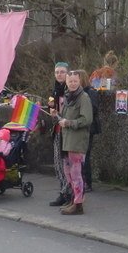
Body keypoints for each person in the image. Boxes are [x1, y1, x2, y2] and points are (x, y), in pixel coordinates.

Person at [56, 69, 93, 215]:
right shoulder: (68, 97)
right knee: (68, 172)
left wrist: (69, 123)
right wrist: (57, 116)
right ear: (66, 82)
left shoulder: (83, 97)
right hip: (66, 140)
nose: (72, 83)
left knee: (76, 173)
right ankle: (74, 199)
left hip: (77, 141)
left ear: (80, 81)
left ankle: (78, 205)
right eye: (70, 81)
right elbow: (65, 117)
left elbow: (87, 119)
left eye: (75, 81)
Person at [47, 62, 72, 207]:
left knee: (67, 165)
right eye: (57, 72)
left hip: (68, 132)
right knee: (58, 164)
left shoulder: (71, 90)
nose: (59, 75)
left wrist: (59, 114)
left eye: (62, 72)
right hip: (57, 130)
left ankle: (69, 193)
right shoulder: (55, 90)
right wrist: (52, 110)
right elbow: (53, 108)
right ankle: (63, 192)